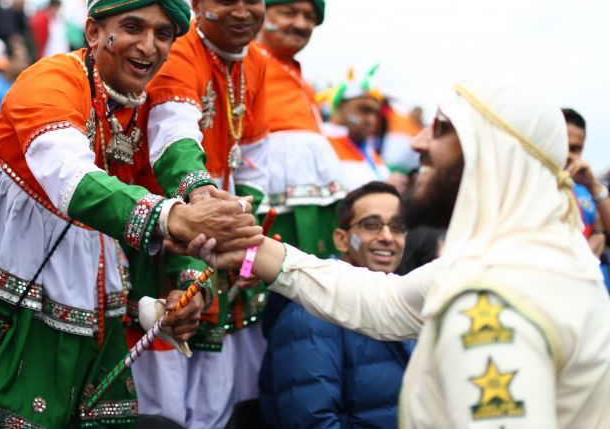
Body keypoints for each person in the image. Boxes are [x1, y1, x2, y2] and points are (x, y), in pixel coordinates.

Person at [0, 0, 261, 428]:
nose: (149, 46)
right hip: (8, 268)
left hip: (93, 286)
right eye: (132, 27)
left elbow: (179, 147)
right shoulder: (50, 80)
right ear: (94, 29)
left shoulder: (150, 98)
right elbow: (70, 179)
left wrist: (193, 245)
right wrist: (173, 219)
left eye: (164, 33)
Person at [198, 77, 610, 428]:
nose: (418, 142)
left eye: (442, 129)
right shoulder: (532, 256)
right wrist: (252, 249)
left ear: (492, 155)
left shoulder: (494, 296)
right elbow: (385, 302)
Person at [129, 0, 276, 426]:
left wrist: (243, 227)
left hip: (219, 232)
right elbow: (173, 135)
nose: (243, 12)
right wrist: (201, 196)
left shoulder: (254, 63)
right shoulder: (182, 50)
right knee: (161, 395)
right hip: (163, 227)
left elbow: (251, 162)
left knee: (218, 397)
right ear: (199, 3)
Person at [260, 182, 411, 428]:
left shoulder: (404, 296)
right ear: (341, 240)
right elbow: (313, 422)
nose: (386, 237)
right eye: (371, 225)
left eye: (398, 227)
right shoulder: (309, 311)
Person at [252, 0, 343, 258]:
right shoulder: (246, 61)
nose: (302, 24)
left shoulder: (300, 77)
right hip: (268, 205)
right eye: (290, 12)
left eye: (309, 16)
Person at [324, 67, 409, 193]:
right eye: (364, 110)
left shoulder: (368, 150)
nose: (371, 120)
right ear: (339, 109)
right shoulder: (323, 144)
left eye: (375, 113)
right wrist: (381, 188)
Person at [562, 108, 609, 256]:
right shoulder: (533, 188)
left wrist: (593, 186)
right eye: (564, 146)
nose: (569, 155)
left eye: (575, 148)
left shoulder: (588, 188)